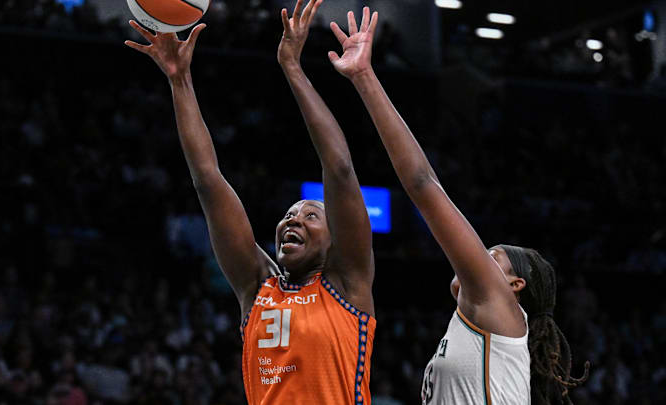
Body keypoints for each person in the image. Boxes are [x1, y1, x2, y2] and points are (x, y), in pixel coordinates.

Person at [326, 7, 588, 405]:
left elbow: (421, 183)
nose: (476, 256)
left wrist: (364, 77)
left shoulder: (496, 303)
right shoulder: (480, 320)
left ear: (513, 285)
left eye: (490, 256)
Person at [124, 0, 376, 403]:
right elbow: (208, 181)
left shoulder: (348, 283)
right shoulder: (258, 288)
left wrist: (292, 68)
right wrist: (179, 81)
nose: (293, 219)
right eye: (289, 214)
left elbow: (340, 169)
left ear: (335, 242)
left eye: (311, 215)